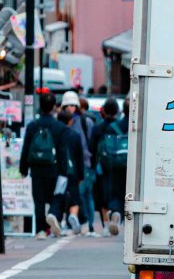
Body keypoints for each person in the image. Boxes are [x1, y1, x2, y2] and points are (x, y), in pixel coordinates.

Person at [19, 92, 68, 239]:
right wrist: (64, 171)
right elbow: (62, 150)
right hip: (54, 167)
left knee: (39, 199)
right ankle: (53, 214)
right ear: (54, 107)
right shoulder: (59, 127)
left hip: (36, 168)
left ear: (40, 106)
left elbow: (26, 148)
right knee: (56, 196)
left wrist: (23, 168)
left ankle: (41, 230)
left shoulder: (32, 126)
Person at [90, 98, 126, 237]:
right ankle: (117, 216)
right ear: (117, 111)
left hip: (106, 165)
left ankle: (107, 221)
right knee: (122, 194)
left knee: (104, 195)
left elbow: (91, 147)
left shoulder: (99, 128)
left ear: (103, 111)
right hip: (127, 165)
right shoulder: (126, 125)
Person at [61, 92, 97, 236]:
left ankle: (87, 223)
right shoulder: (63, 122)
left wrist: (89, 157)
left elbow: (91, 142)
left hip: (84, 163)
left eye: (73, 105)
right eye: (67, 105)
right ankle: (80, 222)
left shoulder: (85, 121)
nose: (70, 108)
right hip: (69, 164)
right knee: (75, 194)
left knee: (84, 194)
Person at [54, 110, 84, 236]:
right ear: (70, 121)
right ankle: (73, 215)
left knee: (59, 196)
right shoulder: (75, 135)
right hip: (73, 170)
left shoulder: (56, 134)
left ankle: (60, 221)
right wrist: (80, 175)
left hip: (58, 170)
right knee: (74, 195)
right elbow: (79, 157)